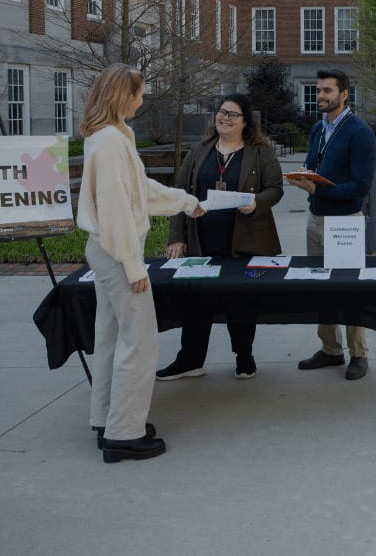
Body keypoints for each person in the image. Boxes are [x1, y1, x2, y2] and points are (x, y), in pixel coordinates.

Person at [76, 64, 204, 462]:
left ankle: (106, 420)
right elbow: (116, 208)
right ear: (123, 96)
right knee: (139, 341)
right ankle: (124, 433)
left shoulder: (108, 137)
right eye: (140, 94)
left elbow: (137, 191)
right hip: (117, 252)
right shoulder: (111, 141)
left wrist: (185, 201)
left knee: (111, 338)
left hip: (106, 249)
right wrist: (134, 267)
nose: (142, 100)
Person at [156, 93, 284, 382]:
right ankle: (190, 359)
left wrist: (256, 203)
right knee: (196, 300)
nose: (224, 118)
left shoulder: (260, 152)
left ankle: (244, 357)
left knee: (240, 301)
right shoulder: (200, 150)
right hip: (201, 239)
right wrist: (176, 237)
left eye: (232, 114)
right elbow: (180, 196)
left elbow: (275, 189)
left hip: (245, 241)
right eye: (221, 112)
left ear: (245, 122)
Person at [286, 69, 376, 381]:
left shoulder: (359, 132)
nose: (321, 95)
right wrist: (305, 175)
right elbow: (315, 163)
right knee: (320, 287)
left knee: (350, 288)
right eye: (318, 90)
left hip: (345, 222)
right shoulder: (317, 130)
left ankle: (359, 354)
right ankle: (330, 350)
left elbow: (361, 187)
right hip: (316, 218)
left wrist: (319, 189)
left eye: (327, 90)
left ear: (344, 94)